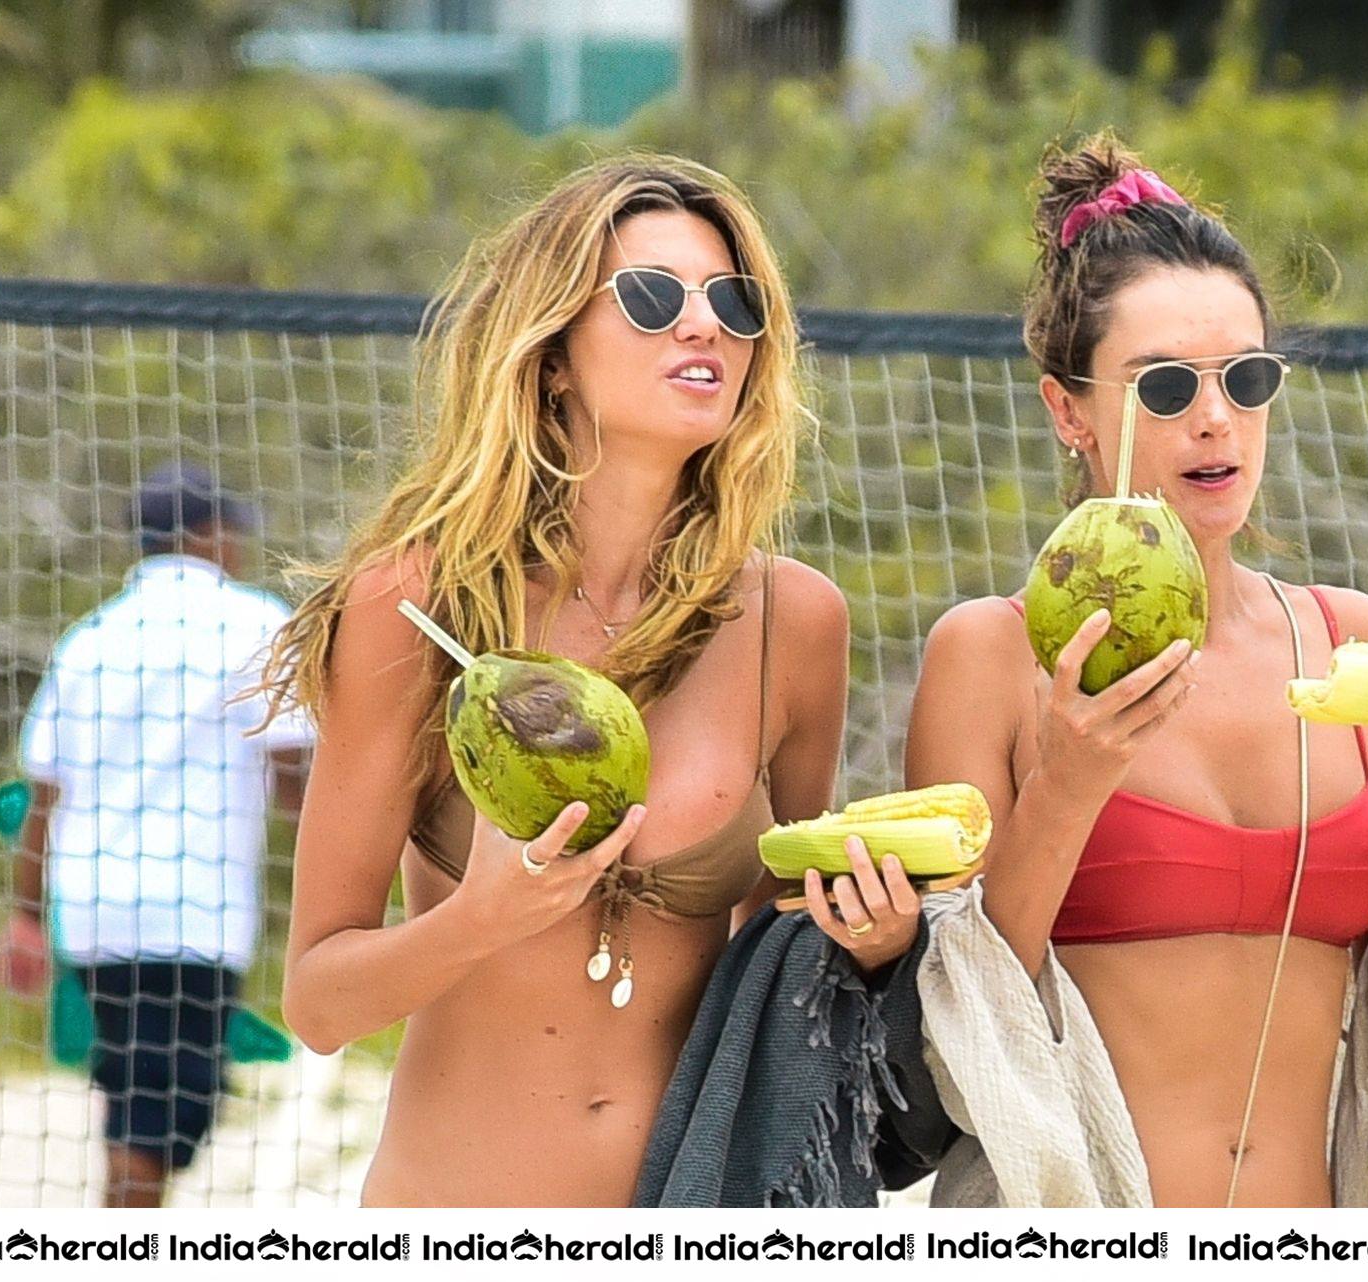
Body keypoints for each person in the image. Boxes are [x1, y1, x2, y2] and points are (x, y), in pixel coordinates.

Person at [254, 153, 921, 1208]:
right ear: (553, 351)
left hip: (698, 1217)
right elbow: (318, 1001)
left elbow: (787, 948)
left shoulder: (795, 621)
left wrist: (876, 940)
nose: (704, 327)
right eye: (655, 298)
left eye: (734, 302)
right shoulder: (418, 607)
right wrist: (480, 918)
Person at [904, 134, 1368, 1207]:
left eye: (1245, 378)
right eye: (1163, 386)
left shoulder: (1346, 639)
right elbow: (960, 1025)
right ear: (1069, 412)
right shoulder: (993, 654)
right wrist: (1069, 784)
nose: (1213, 417)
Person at [0, 463, 314, 1207]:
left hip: (97, 906)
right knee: (172, 1108)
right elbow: (294, 776)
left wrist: (24, 917)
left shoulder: (90, 637)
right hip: (192, 907)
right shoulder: (253, 621)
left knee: (137, 1096)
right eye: (229, 531)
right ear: (204, 535)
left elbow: (45, 794)